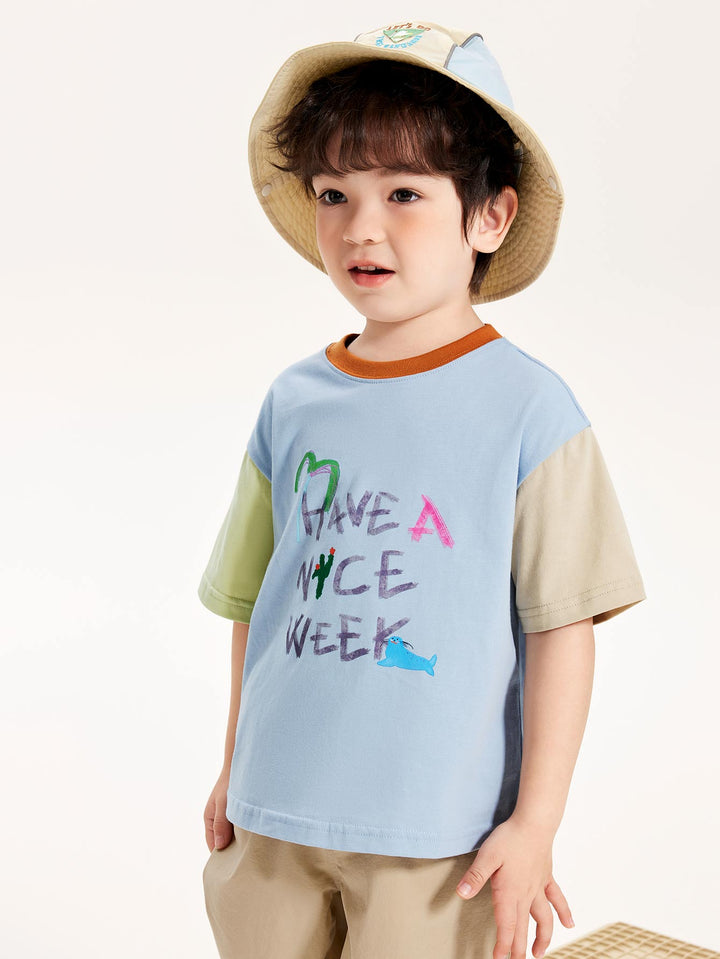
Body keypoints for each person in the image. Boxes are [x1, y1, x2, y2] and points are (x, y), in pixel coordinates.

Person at [198, 20, 646, 959]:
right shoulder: (293, 401)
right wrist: (235, 765)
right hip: (273, 819)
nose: (361, 227)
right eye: (334, 194)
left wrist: (535, 822)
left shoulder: (531, 410)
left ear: (490, 217)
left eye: (404, 192)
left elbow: (561, 627)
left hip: (438, 839)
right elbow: (255, 605)